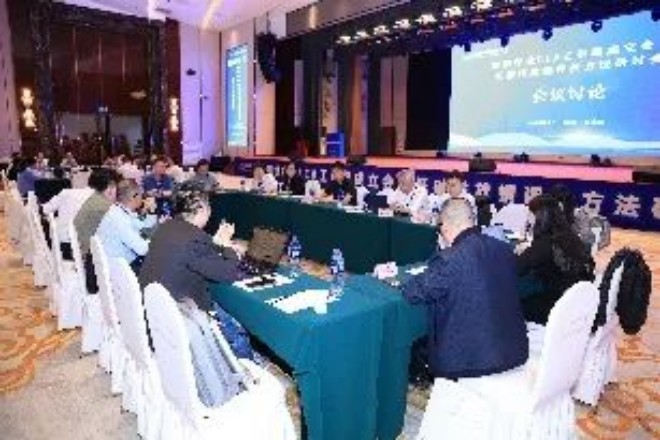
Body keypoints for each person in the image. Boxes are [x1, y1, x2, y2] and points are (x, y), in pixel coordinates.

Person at [403, 199, 528, 379]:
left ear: (444, 226)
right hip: (514, 352)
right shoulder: (503, 248)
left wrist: (442, 252)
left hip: (468, 363)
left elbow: (412, 292)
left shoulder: (450, 258)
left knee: (416, 349)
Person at [139, 189, 254, 360]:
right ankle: (243, 372)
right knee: (237, 331)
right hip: (179, 316)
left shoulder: (168, 226)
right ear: (201, 209)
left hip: (151, 310)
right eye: (209, 207)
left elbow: (194, 253)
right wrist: (227, 247)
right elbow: (229, 273)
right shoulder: (195, 239)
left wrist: (217, 244)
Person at [517, 194, 595, 324]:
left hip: (553, 309)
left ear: (540, 218)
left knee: (508, 289)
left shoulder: (544, 244)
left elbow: (517, 267)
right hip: (573, 303)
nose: (528, 220)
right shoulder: (570, 237)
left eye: (530, 215)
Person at [73, 168, 121, 293]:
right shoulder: (104, 208)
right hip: (93, 264)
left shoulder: (95, 199)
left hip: (86, 253)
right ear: (111, 187)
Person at [96, 179, 157, 273]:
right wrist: (158, 241)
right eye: (141, 195)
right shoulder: (119, 219)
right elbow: (143, 250)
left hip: (114, 262)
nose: (143, 198)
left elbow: (141, 224)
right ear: (134, 197)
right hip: (120, 270)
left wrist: (151, 211)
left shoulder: (117, 209)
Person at [42, 180, 95, 260]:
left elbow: (45, 209)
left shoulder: (65, 193)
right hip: (83, 251)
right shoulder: (97, 197)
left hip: (62, 246)